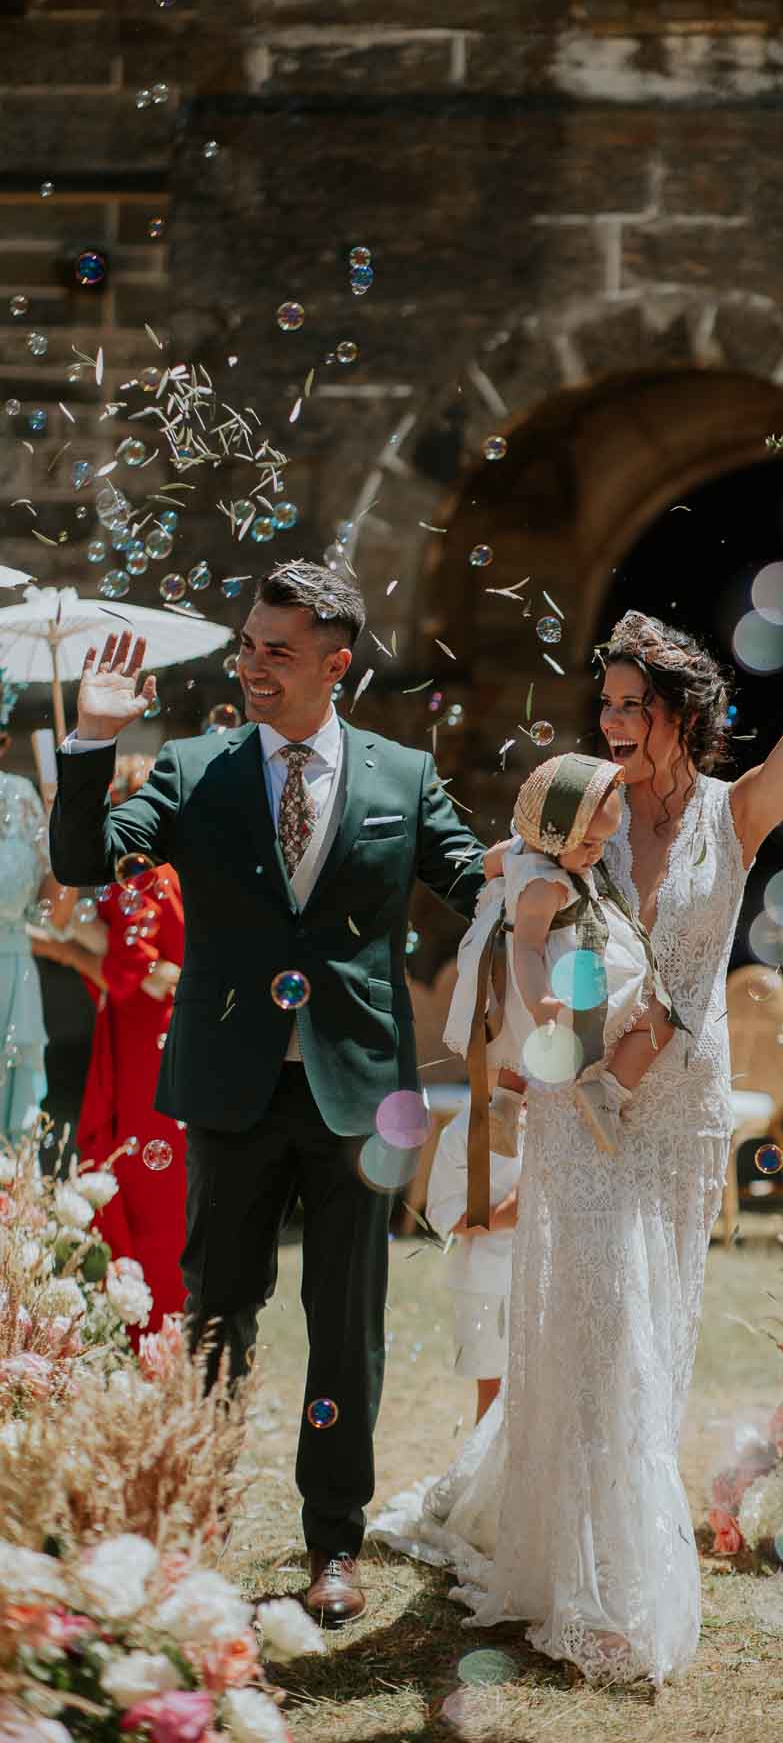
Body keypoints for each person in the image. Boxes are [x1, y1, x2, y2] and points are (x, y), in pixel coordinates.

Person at [373, 590, 783, 1685]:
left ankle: (597, 1536)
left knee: (647, 1324)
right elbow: (509, 893)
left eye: (635, 706)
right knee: (596, 1322)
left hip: (679, 1112)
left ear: (684, 712)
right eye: (607, 702)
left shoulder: (740, 810)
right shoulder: (583, 805)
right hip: (579, 1109)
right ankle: (601, 1578)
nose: (614, 723)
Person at [49, 560, 489, 1629]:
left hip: (362, 1095)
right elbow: (83, 860)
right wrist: (94, 738)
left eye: (275, 649)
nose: (249, 664)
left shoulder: (401, 773)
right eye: (246, 643)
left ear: (336, 664)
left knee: (347, 1330)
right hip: (230, 1085)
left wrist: (560, 874)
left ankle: (332, 1543)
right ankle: (189, 1527)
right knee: (217, 1313)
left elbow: (479, 880)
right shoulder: (197, 768)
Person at [444, 752, 678, 1158]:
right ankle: (605, 1093)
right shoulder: (545, 887)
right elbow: (529, 947)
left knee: (513, 1047)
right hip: (555, 976)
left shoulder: (520, 849)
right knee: (656, 1017)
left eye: (603, 842)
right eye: (587, 843)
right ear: (553, 838)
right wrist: (540, 1006)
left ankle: (504, 1104)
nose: (597, 854)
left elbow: (487, 863)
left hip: (523, 975)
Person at [33, 753, 187, 1334]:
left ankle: (156, 1318)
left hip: (149, 1042)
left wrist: (71, 950)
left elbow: (134, 971)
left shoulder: (144, 874)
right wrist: (61, 817)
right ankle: (161, 1316)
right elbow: (65, 917)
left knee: (144, 1175)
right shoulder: (156, 872)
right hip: (148, 1035)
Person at [425, 1102, 521, 1424]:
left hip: (553, 1274)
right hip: (487, 1281)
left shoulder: (558, 1119)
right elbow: (443, 1212)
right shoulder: (463, 1130)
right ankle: (492, 1471)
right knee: (494, 1389)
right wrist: (503, 1216)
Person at [0, 670, 54, 1141]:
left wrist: (62, 820)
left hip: (14, 976)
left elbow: (56, 916)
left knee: (15, 1127)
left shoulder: (21, 798)